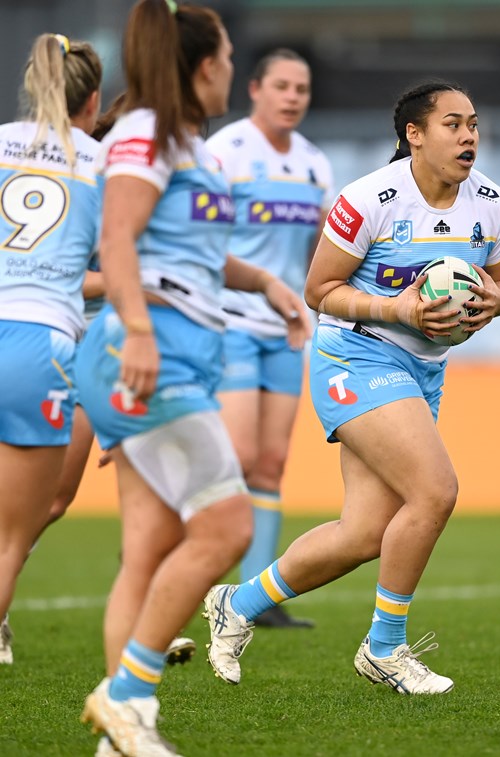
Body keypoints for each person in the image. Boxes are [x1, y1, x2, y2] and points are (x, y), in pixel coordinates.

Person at [203, 79, 500, 695]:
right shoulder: (369, 198)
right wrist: (399, 311)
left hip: (424, 369)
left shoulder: (493, 204)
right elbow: (320, 290)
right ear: (415, 135)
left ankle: (236, 604)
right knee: (435, 492)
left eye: (474, 123)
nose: (469, 136)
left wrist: (488, 305)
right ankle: (385, 648)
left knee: (365, 533)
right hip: (356, 355)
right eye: (453, 124)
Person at [76, 2, 309, 755]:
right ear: (205, 65)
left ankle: (121, 739)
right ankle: (125, 699)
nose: (234, 68)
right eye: (232, 56)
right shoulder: (145, 131)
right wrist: (139, 334)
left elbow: (199, 256)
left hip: (179, 352)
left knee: (149, 550)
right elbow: (117, 240)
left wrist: (266, 285)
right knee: (229, 527)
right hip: (151, 353)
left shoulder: (195, 148)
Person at [206, 49, 334, 629]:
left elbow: (319, 252)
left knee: (272, 462)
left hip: (285, 331)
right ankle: (192, 565)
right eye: (281, 85)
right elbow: (200, 239)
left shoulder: (314, 164)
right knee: (235, 457)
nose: (292, 97)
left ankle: (256, 600)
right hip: (229, 317)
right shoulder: (225, 152)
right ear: (254, 88)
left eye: (301, 88)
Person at [0, 32, 103, 665]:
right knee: (15, 535)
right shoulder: (98, 162)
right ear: (92, 101)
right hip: (38, 343)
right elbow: (119, 269)